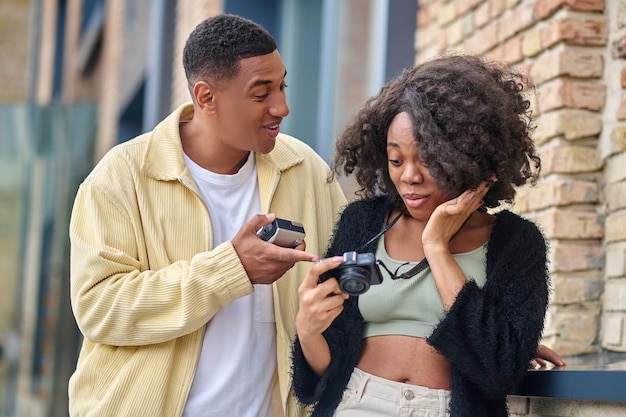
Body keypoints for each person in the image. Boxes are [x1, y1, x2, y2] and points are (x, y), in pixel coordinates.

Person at [68, 14, 346, 417]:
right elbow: (99, 309)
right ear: (206, 97)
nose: (281, 106)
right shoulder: (121, 177)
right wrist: (231, 269)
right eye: (260, 93)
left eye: (282, 86)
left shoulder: (307, 170)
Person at [291, 54, 565, 417]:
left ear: (469, 156)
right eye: (396, 160)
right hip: (357, 402)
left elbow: (500, 368)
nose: (409, 177)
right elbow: (326, 371)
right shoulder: (363, 223)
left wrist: (436, 247)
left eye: (429, 159)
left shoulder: (516, 242)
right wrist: (309, 329)